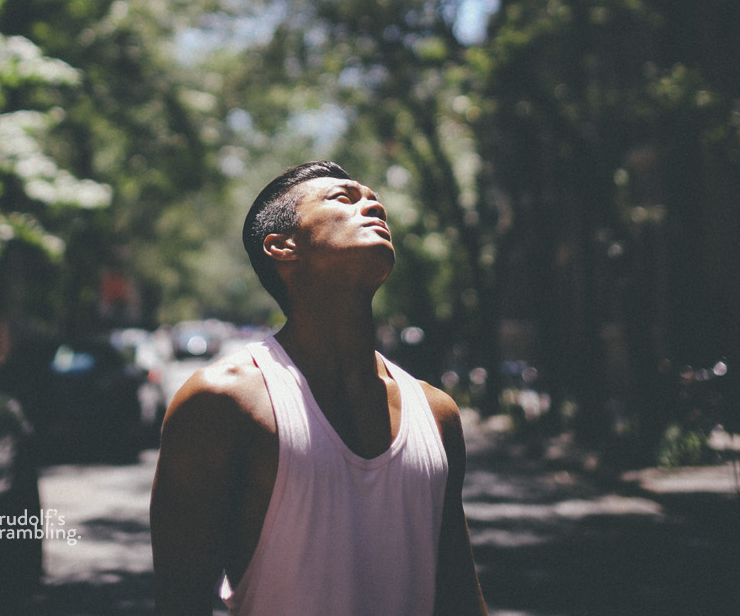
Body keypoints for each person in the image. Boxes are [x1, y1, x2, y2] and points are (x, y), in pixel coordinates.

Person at [150, 160, 488, 616]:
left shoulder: (436, 412)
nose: (373, 204)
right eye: (344, 198)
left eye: (374, 199)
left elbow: (459, 599)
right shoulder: (222, 401)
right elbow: (180, 601)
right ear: (282, 246)